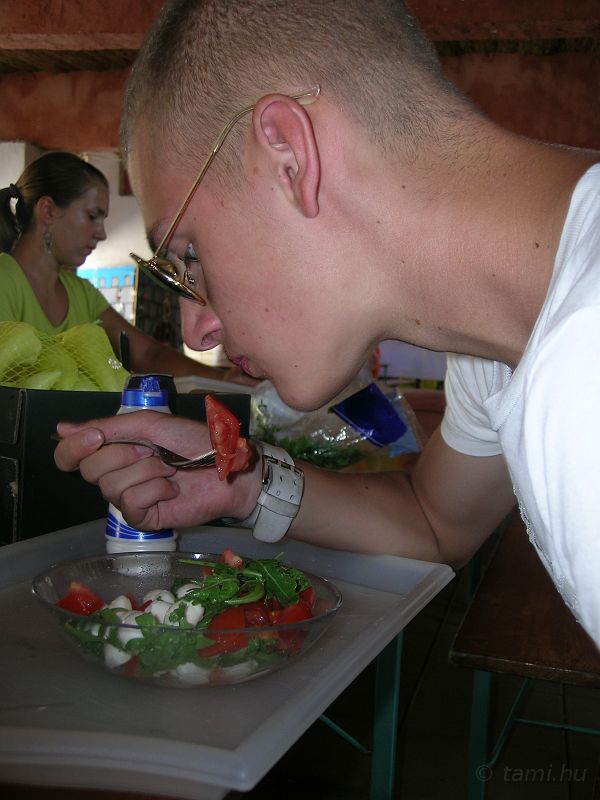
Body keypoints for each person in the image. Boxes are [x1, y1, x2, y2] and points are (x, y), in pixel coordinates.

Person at [54, 0, 600, 649]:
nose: (198, 332)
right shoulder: (496, 345)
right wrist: (244, 483)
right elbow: (435, 525)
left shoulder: (583, 358)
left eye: (188, 254)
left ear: (289, 155)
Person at [0, 150, 251, 382]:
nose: (101, 233)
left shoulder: (82, 293)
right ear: (47, 210)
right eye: (92, 216)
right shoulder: (5, 280)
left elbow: (148, 354)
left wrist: (224, 379)